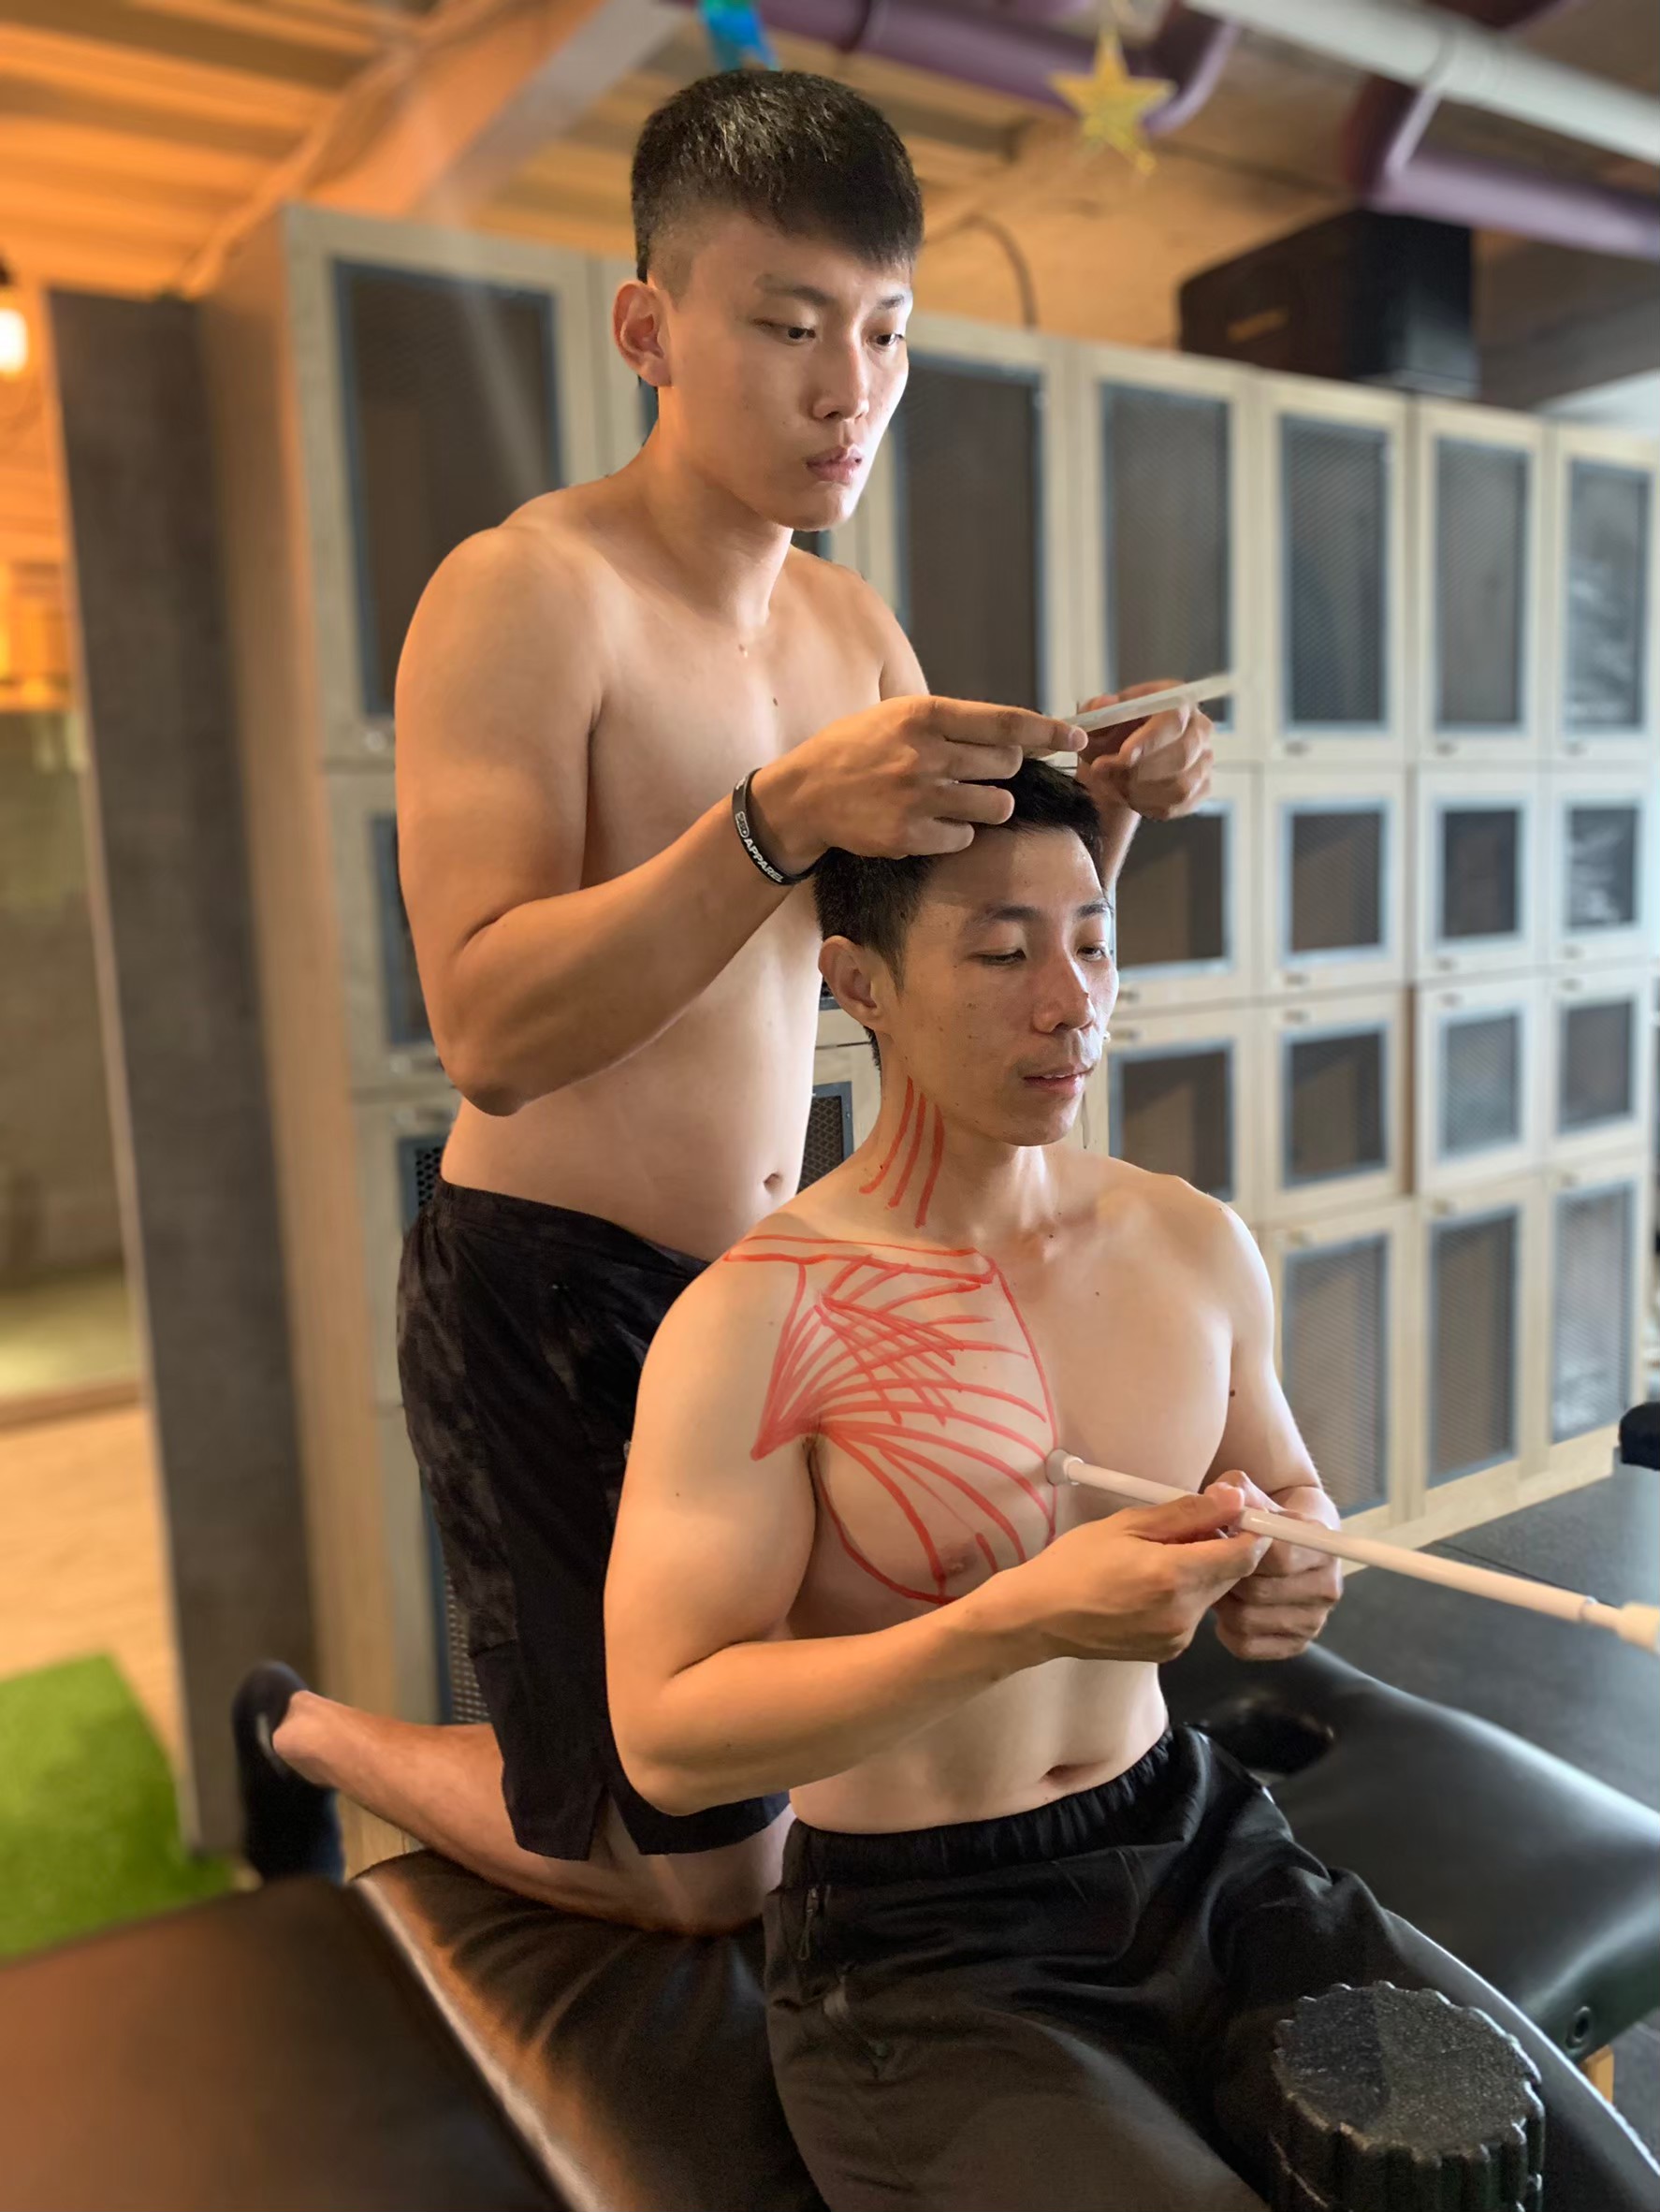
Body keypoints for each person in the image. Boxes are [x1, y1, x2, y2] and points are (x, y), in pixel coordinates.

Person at [233, 68, 1213, 1932]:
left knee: (819, 1759)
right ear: (648, 330)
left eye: (885, 332)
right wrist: (770, 820)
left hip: (778, 1292)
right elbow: (488, 1032)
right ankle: (303, 1731)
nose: (848, 390)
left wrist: (1116, 812)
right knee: (697, 1880)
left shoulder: (856, 635)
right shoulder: (527, 595)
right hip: (553, 1288)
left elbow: (942, 960)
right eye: (786, 326)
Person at [603, 759, 1626, 2209]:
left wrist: (1294, 1560)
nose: (1069, 1001)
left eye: (1090, 942)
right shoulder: (760, 1317)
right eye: (1001, 954)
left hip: (1203, 1850)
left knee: (1578, 2187)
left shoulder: (1187, 1241)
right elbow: (665, 1738)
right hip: (925, 1948)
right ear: (858, 983)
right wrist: (1011, 1620)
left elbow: (1282, 1487)